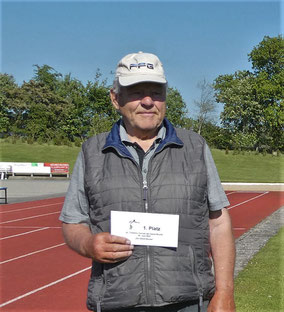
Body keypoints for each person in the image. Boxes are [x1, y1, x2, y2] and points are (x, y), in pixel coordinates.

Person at [59, 52, 236, 312]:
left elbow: (218, 222)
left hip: (189, 302)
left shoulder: (195, 147)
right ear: (115, 98)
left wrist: (225, 292)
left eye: (156, 92)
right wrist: (88, 244)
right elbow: (73, 221)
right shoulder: (92, 152)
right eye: (135, 92)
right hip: (117, 303)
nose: (147, 101)